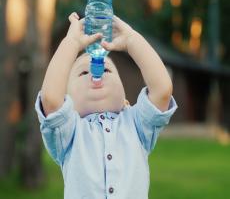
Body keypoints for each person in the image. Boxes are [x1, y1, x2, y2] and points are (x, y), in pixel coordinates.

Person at [35, 12, 177, 199]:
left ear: (126, 101)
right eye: (83, 73)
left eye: (108, 69)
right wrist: (71, 43)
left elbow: (162, 90)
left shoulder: (136, 125)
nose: (97, 74)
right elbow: (51, 100)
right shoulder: (68, 134)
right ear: (67, 103)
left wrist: (132, 40)